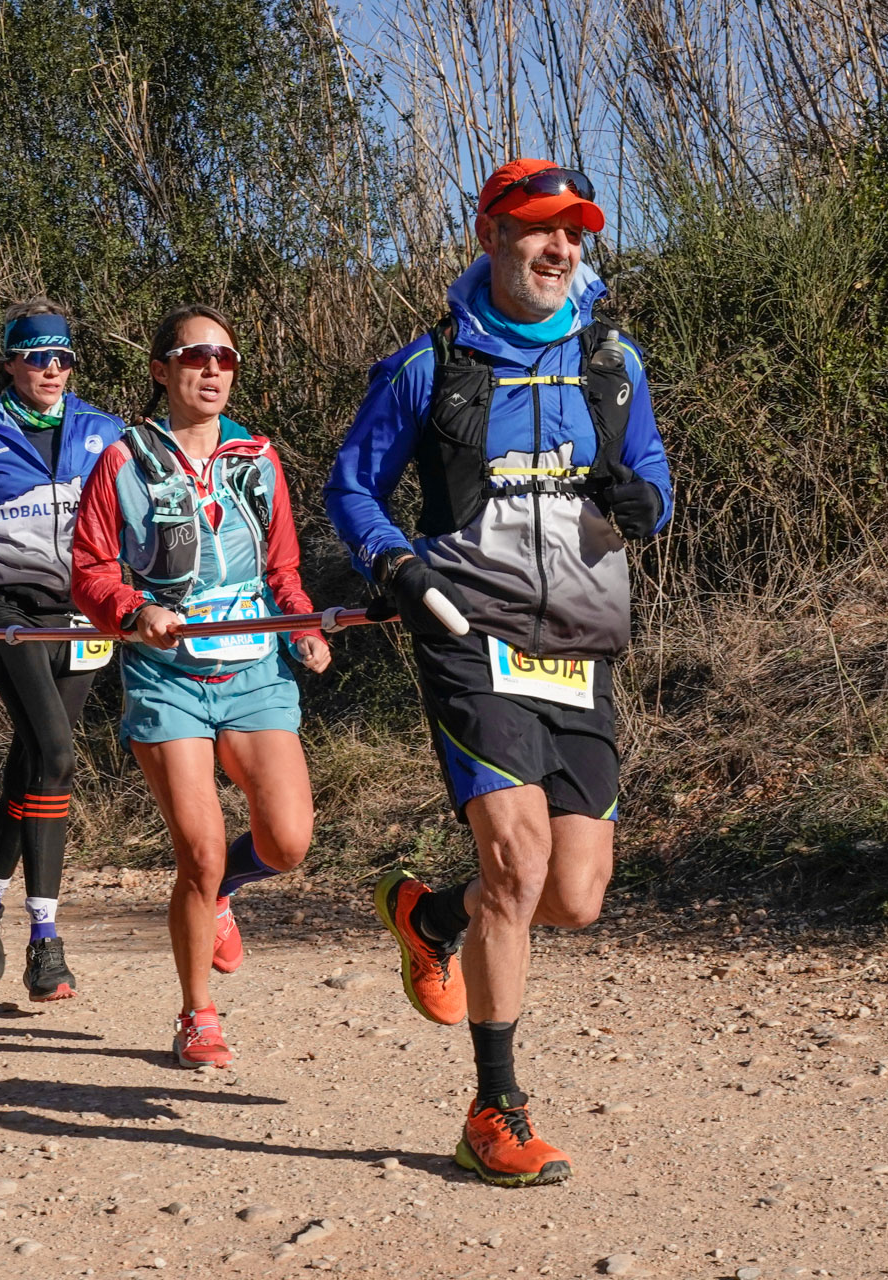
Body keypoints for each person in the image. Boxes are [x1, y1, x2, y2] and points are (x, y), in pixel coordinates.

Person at [325, 160, 672, 1184]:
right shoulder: (429, 365)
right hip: (467, 632)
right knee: (516, 865)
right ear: (489, 232)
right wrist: (393, 560)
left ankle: (428, 916)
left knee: (572, 894)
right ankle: (495, 1109)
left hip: (578, 642)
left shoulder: (614, 363)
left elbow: (650, 472)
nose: (559, 249)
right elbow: (353, 484)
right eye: (537, 230)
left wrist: (643, 502)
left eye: (574, 233)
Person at [72, 304, 332, 1068]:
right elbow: (89, 570)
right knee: (200, 851)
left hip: (255, 668)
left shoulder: (258, 458)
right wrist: (134, 608)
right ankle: (197, 1013)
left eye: (226, 358)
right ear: (162, 371)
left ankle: (223, 899)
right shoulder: (124, 460)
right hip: (166, 678)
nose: (213, 369)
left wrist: (304, 627)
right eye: (195, 356)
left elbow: (282, 567)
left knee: (288, 842)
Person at [0, 301, 125, 1001]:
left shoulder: (106, 432)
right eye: (38, 357)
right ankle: (44, 937)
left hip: (86, 615)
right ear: (11, 363)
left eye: (63, 356)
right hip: (9, 616)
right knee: (59, 755)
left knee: (34, 759)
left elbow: (151, 512)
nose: (53, 369)